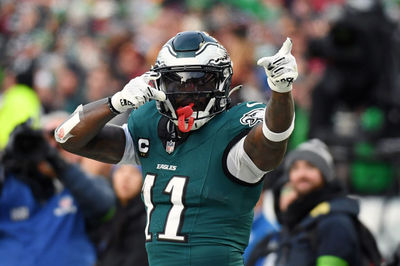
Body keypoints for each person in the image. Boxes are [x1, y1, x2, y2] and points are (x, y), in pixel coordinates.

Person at [56, 30, 298, 265]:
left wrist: (281, 91)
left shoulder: (234, 129)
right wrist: (115, 102)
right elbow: (67, 137)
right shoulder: (150, 125)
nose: (187, 92)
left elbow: (272, 140)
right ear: (160, 82)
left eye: (199, 81)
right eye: (177, 82)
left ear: (223, 81)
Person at [0, 121, 116, 266]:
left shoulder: (83, 185)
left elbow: (104, 207)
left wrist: (59, 164)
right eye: (46, 139)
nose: (52, 146)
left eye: (60, 140)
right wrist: (6, 160)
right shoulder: (9, 186)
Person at [270, 139, 378, 266]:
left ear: (325, 174)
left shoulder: (335, 222)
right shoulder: (300, 221)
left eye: (310, 167)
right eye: (295, 168)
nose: (301, 174)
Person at [92, 164, 149, 266]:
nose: (126, 177)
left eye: (134, 172)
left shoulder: (147, 219)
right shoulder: (106, 211)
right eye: (121, 170)